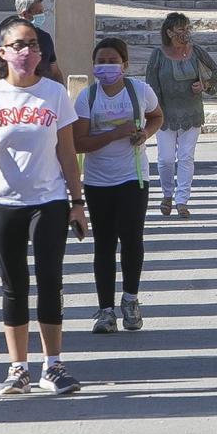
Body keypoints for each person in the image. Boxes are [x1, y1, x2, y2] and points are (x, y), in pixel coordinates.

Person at [0, 15, 86, 395]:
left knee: (50, 280)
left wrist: (77, 201)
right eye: (19, 44)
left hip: (49, 200)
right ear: (2, 52)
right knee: (13, 284)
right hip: (3, 201)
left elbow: (67, 152)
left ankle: (53, 365)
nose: (27, 51)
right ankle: (17, 367)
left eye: (33, 44)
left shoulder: (53, 93)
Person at [74, 37, 164, 333]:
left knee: (132, 238)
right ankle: (105, 310)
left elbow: (156, 116)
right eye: (101, 61)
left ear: (124, 65)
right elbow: (79, 142)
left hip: (133, 176)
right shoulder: (86, 97)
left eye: (113, 61)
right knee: (104, 243)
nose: (107, 67)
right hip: (99, 180)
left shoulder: (140, 91)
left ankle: (131, 298)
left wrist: (145, 134)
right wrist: (116, 134)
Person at [143, 11, 217, 217]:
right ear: (169, 32)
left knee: (186, 157)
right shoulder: (158, 55)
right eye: (180, 29)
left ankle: (182, 200)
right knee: (166, 159)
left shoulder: (196, 52)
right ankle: (167, 194)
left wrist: (204, 84)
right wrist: (152, 111)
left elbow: (216, 72)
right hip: (164, 114)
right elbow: (151, 84)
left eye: (187, 28)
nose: (185, 33)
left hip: (191, 112)